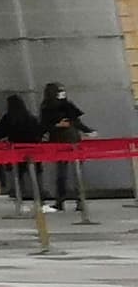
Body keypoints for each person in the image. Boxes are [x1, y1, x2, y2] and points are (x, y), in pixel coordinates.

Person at [38, 83, 91, 211]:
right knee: (64, 173)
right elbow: (44, 125)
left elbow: (76, 121)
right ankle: (64, 200)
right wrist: (57, 125)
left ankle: (76, 200)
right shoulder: (47, 107)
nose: (62, 93)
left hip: (69, 140)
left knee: (72, 172)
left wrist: (87, 130)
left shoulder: (65, 105)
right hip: (61, 141)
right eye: (60, 91)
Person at [0, 92, 42, 204]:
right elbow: (38, 133)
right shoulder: (30, 117)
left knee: (18, 174)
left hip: (16, 150)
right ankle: (38, 195)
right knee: (35, 173)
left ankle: (20, 196)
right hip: (32, 149)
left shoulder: (9, 118)